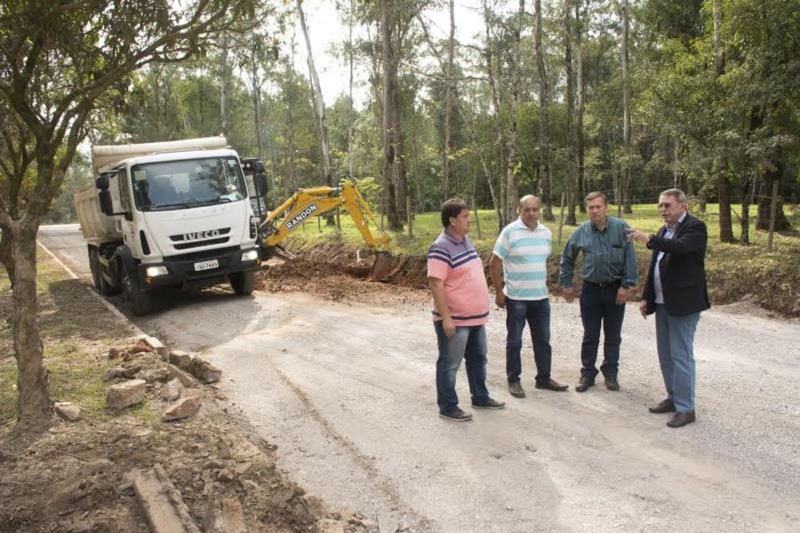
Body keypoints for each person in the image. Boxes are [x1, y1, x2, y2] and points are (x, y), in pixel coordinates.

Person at [627, 189, 710, 428]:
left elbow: (680, 248)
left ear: (682, 206)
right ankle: (674, 398)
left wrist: (648, 238)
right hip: (663, 303)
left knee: (681, 356)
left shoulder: (695, 227)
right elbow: (656, 266)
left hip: (683, 304)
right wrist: (647, 298)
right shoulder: (665, 230)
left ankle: (686, 409)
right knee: (665, 355)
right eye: (660, 206)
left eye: (667, 205)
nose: (663, 210)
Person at [427, 198, 505, 421]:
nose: (469, 220)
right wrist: (446, 318)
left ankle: (480, 396)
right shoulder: (440, 247)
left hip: (475, 318)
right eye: (465, 217)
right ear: (452, 221)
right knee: (449, 364)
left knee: (478, 359)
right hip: (456, 320)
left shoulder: (464, 240)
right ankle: (448, 406)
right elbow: (436, 283)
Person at [490, 195, 568, 398]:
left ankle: (544, 378)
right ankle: (513, 380)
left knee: (543, 340)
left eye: (535, 209)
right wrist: (499, 292)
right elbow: (494, 262)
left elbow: (541, 260)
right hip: (516, 298)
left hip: (540, 298)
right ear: (519, 210)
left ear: (539, 210)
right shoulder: (509, 232)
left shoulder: (546, 233)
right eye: (527, 210)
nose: (531, 213)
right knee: (514, 341)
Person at [559, 192, 637, 393]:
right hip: (590, 290)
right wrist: (566, 283)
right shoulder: (581, 231)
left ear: (606, 207)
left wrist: (626, 285)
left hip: (614, 290)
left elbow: (630, 257)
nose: (594, 211)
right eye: (590, 207)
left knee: (613, 334)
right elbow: (567, 257)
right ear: (587, 210)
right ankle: (587, 374)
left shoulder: (621, 228)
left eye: (598, 206)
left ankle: (610, 373)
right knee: (590, 334)